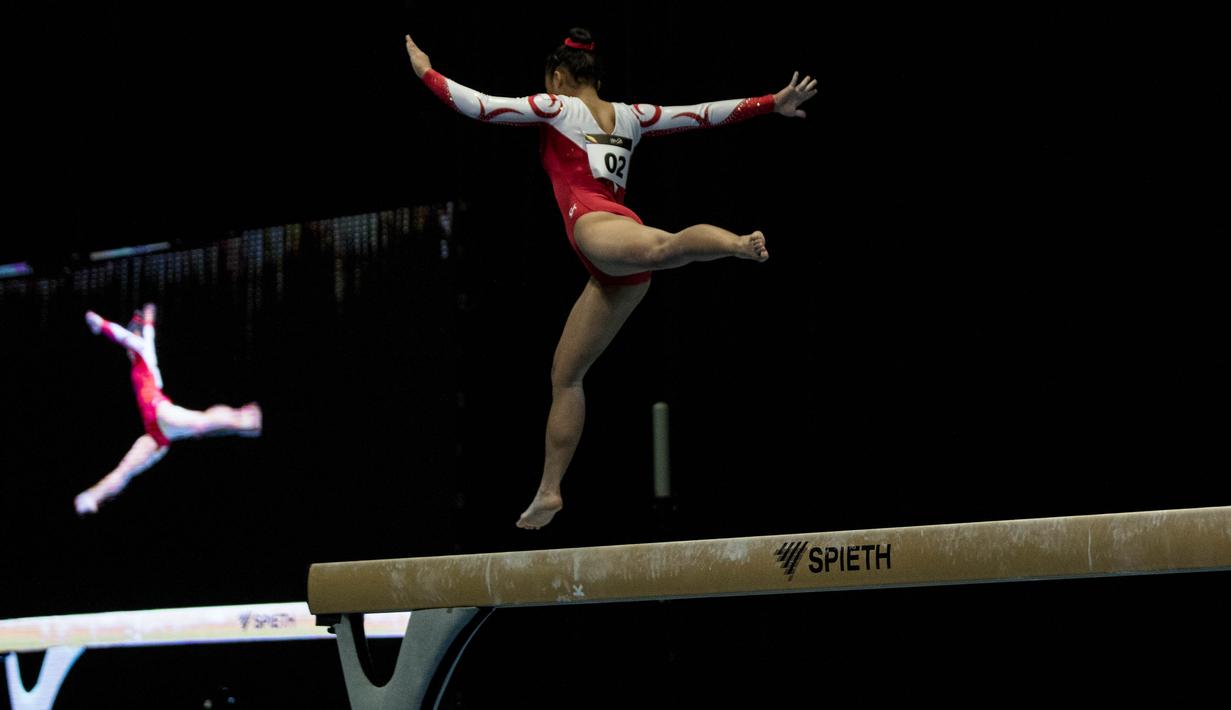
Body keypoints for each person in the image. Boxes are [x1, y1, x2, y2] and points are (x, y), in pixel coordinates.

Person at [404, 28, 817, 529]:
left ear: (558, 76)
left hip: (597, 228)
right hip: (613, 270)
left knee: (664, 247)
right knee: (566, 374)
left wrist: (426, 70)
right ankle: (550, 490)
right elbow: (703, 113)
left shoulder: (556, 108)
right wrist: (771, 102)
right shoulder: (633, 117)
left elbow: (481, 106)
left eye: (550, 81)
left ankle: (735, 243)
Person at [74, 303, 262, 515]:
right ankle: (91, 497)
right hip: (154, 432)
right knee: (126, 469)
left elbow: (125, 337)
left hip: (160, 411)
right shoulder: (144, 355)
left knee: (200, 422)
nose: (128, 347)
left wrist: (100, 323)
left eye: (132, 339)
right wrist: (148, 321)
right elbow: (147, 336)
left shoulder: (140, 349)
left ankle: (245, 418)